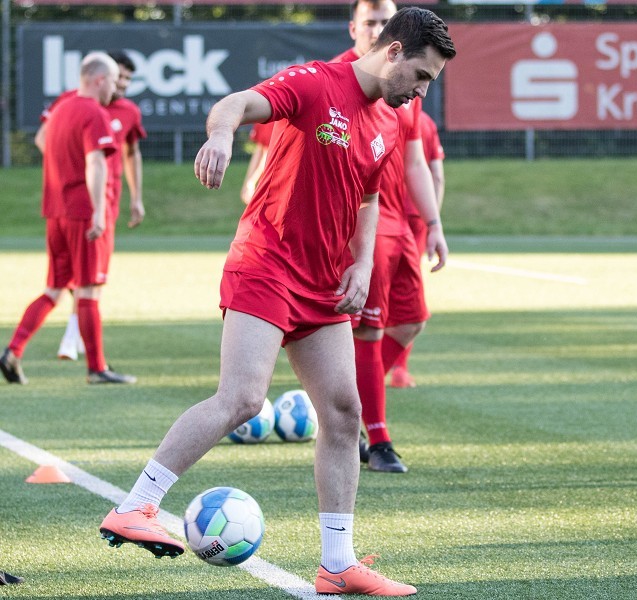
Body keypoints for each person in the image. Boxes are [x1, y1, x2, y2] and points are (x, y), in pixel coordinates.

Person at [97, 8, 455, 596]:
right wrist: (218, 135)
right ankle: (136, 506)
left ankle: (336, 564)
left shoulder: (391, 123)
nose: (422, 90)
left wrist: (361, 262)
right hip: (266, 263)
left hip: (323, 284)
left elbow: (368, 200)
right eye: (421, 75)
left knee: (344, 413)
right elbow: (234, 104)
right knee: (242, 398)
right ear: (393, 52)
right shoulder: (316, 82)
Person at [333, 0, 448, 474]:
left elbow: (415, 160)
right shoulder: (340, 79)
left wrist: (435, 222)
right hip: (368, 222)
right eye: (371, 22)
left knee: (412, 320)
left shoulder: (406, 88)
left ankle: (343, 403)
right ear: (356, 28)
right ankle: (376, 437)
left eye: (386, 20)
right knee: (370, 328)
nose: (378, 28)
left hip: (403, 223)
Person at [0, 53, 136, 385]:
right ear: (99, 80)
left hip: (55, 210)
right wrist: (99, 213)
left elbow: (42, 140)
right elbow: (96, 164)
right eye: (113, 80)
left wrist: (64, 167)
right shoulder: (94, 112)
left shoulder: (60, 109)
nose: (115, 89)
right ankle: (97, 368)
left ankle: (13, 351)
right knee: (89, 290)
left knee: (54, 288)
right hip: (82, 214)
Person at [35, 50, 147, 362]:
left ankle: (66, 341)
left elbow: (131, 153)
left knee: (85, 281)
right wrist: (67, 171)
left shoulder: (128, 111)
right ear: (103, 78)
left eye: (127, 78)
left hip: (105, 204)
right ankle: (81, 349)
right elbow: (46, 139)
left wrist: (136, 198)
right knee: (83, 281)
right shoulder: (78, 104)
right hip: (83, 204)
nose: (122, 84)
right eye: (118, 77)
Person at [389, 109, 445, 389]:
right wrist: (434, 218)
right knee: (409, 292)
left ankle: (369, 365)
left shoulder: (381, 110)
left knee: (375, 293)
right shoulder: (426, 123)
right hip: (416, 216)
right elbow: (436, 175)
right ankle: (399, 367)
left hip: (385, 213)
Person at [240, 121, 275, 205]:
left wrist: (250, 182)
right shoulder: (264, 118)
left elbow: (267, 153)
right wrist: (248, 184)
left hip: (278, 184)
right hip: (267, 185)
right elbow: (260, 150)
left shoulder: (276, 116)